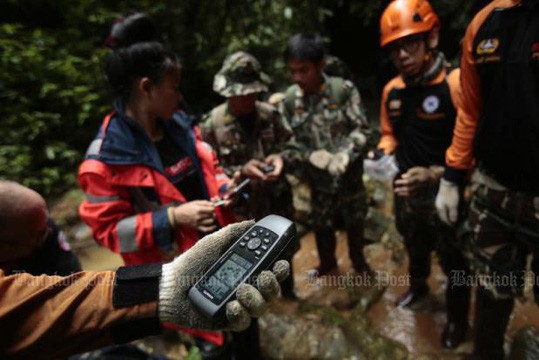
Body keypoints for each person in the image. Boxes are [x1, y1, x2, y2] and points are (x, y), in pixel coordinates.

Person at [77, 13, 254, 359]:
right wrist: (173, 219)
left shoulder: (181, 127)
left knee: (246, 322)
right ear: (146, 88)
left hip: (223, 253)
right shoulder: (103, 161)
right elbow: (109, 232)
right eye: (173, 87)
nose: (179, 95)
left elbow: (208, 170)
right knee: (209, 341)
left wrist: (224, 187)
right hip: (175, 276)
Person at [0, 220, 290, 358]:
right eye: (39, 233)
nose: (48, 234)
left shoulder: (180, 127)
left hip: (156, 282)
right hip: (148, 262)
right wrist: (172, 215)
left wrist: (162, 289)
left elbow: (22, 303)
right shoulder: (108, 155)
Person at [435, 1, 539, 359]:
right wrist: (452, 175)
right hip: (493, 189)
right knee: (492, 290)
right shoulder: (485, 23)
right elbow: (471, 108)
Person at [375, 0, 471, 349]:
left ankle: (459, 321)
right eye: (395, 48)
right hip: (406, 193)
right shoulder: (393, 91)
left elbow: (474, 144)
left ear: (431, 38)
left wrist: (434, 175)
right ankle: (418, 289)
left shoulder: (457, 83)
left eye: (409, 43)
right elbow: (389, 133)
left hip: (449, 192)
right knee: (414, 246)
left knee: (456, 261)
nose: (402, 55)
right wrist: (383, 151)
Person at [201, 51, 297, 299]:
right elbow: (209, 174)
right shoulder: (211, 125)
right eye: (239, 94)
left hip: (277, 206)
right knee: (245, 267)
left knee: (285, 259)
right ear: (227, 91)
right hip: (241, 215)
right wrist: (241, 171)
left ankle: (289, 299)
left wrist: (281, 159)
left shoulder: (270, 115)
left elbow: (294, 148)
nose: (245, 99)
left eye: (251, 93)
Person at [279, 33, 372, 277]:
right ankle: (328, 265)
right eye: (292, 71)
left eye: (304, 70)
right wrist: (309, 155)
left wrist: (345, 154)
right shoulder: (289, 101)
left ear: (320, 65)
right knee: (322, 226)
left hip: (350, 180)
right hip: (318, 184)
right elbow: (286, 145)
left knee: (356, 222)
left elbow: (363, 130)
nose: (297, 78)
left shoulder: (343, 91)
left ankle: (359, 264)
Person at [0, 180, 81, 276]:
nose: (49, 230)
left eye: (46, 215)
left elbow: (72, 276)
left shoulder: (40, 225)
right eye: (39, 237)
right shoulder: (34, 228)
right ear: (5, 247)